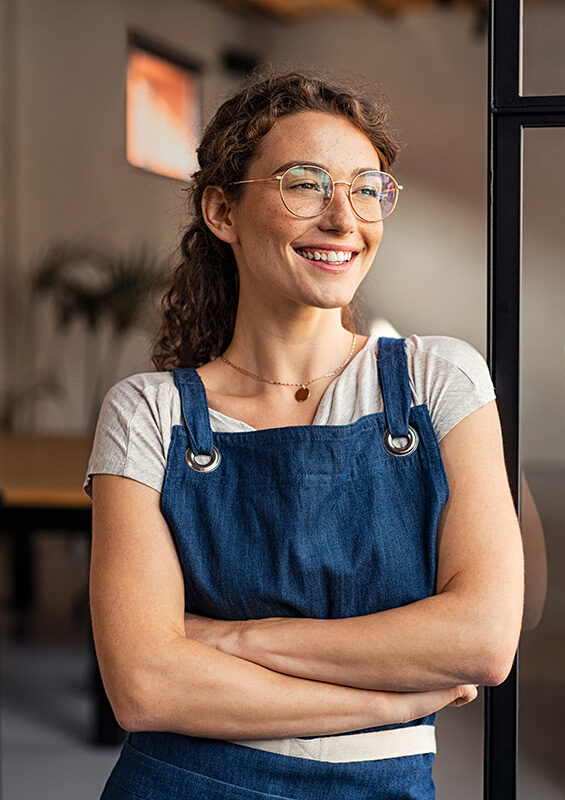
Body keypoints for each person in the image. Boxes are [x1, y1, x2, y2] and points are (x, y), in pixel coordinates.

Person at [84, 70, 531, 799]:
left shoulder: (439, 380)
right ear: (222, 210)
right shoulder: (147, 412)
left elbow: (481, 639)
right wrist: (392, 702)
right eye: (305, 184)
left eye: (366, 188)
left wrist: (230, 638)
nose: (344, 219)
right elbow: (144, 687)